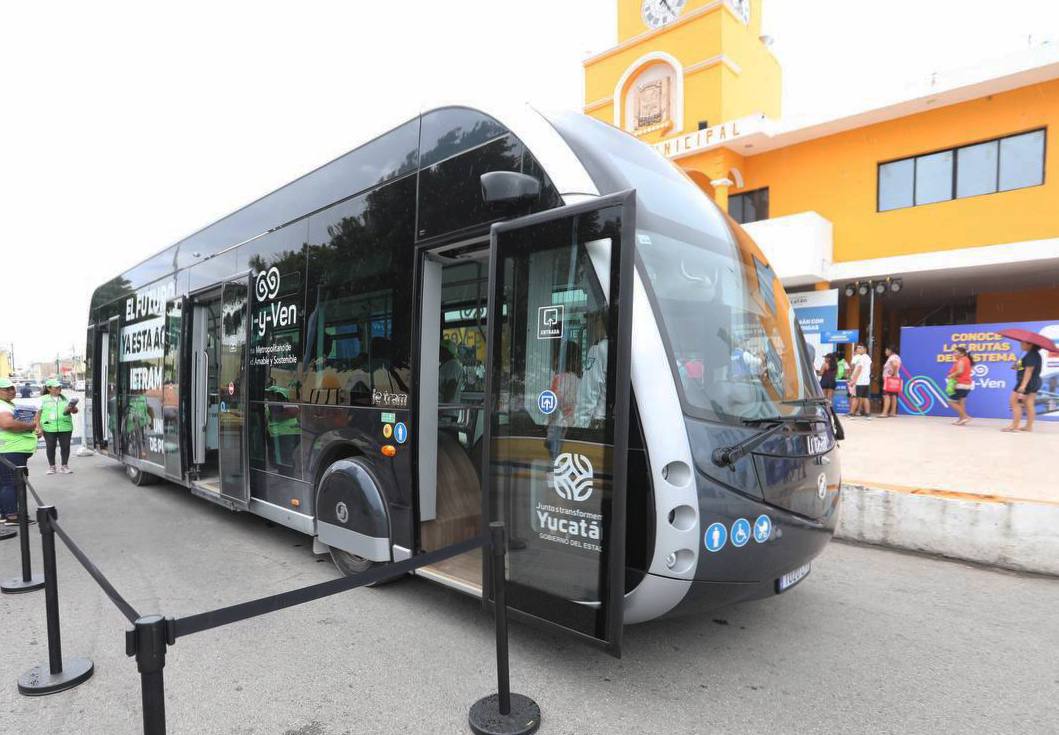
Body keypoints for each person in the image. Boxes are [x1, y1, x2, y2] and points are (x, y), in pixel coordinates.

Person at [0, 378, 41, 524]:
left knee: (6, 483)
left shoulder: (7, 404)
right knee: (12, 483)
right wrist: (31, 426)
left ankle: (5, 514)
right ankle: (12, 516)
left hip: (10, 449)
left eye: (12, 388)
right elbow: (7, 423)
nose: (11, 391)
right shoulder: (2, 406)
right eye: (7, 389)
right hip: (10, 450)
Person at [36, 379, 77, 473]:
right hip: (49, 427)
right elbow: (38, 414)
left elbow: (74, 411)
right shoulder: (43, 399)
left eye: (60, 387)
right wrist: (38, 427)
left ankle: (64, 466)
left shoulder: (64, 398)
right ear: (49, 388)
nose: (59, 388)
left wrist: (72, 408)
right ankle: (52, 467)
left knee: (65, 447)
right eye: (56, 387)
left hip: (65, 426)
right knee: (50, 447)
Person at [1004, 342, 1043, 432]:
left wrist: (1023, 385)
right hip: (1035, 381)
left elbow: (1029, 371)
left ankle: (1014, 426)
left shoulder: (1031, 355)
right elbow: (1023, 368)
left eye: (1022, 344)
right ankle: (1028, 427)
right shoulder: (1033, 354)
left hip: (1026, 382)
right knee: (1029, 404)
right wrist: (1018, 365)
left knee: (1014, 402)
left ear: (1030, 344)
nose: (1021, 345)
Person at [947, 346, 974, 426]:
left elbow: (960, 371)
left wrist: (951, 375)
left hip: (960, 384)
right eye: (953, 352)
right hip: (967, 385)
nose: (954, 354)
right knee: (961, 403)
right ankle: (961, 419)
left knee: (951, 401)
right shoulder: (967, 360)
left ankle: (965, 416)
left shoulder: (961, 360)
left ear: (962, 354)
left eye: (956, 352)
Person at [847, 343, 872, 418]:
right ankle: (867, 414)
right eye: (857, 348)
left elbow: (859, 369)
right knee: (865, 397)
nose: (858, 349)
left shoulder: (861, 358)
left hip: (859, 381)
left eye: (860, 348)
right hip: (866, 381)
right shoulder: (868, 357)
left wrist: (853, 380)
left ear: (865, 349)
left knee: (855, 397)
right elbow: (870, 367)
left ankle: (851, 413)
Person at [880, 346, 902, 418]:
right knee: (893, 395)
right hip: (894, 379)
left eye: (886, 350)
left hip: (889, 380)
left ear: (890, 350)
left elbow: (895, 365)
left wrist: (893, 374)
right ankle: (893, 412)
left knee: (886, 395)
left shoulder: (892, 357)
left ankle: (885, 413)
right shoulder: (897, 357)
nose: (885, 352)